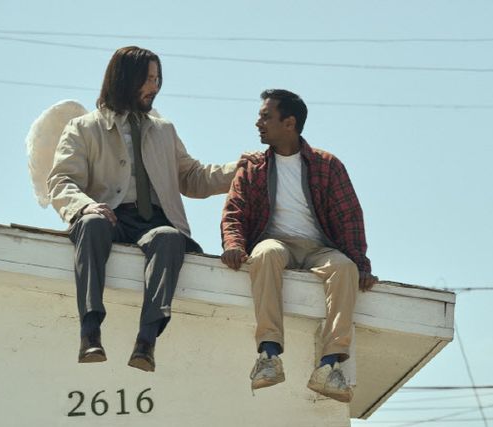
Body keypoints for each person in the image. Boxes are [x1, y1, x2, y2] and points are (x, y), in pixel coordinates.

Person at [48, 46, 250, 372]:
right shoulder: (83, 128)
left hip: (154, 221)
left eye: (157, 80)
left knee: (169, 238)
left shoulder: (164, 130)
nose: (154, 87)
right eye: (148, 79)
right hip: (108, 216)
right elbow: (61, 181)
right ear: (125, 79)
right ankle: (90, 331)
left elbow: (194, 178)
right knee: (91, 224)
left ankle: (146, 341)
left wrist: (239, 169)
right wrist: (86, 206)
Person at [221, 89, 378, 402]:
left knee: (344, 268)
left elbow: (349, 218)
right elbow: (234, 212)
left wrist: (361, 265)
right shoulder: (253, 167)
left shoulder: (327, 165)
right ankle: (269, 356)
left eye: (266, 117)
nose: (258, 123)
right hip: (276, 242)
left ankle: (329, 365)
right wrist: (234, 244)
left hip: (319, 248)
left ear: (289, 123)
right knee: (265, 254)